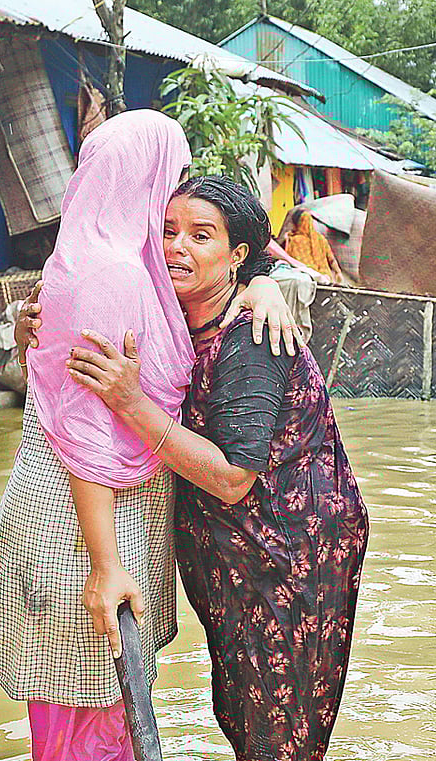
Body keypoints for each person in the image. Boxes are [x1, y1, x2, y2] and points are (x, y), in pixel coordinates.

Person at [0, 111, 301, 761]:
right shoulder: (114, 273)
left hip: (79, 519)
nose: (175, 188)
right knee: (93, 709)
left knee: (91, 712)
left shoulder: (99, 260)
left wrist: (261, 286)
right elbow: (86, 431)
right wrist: (106, 565)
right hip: (79, 528)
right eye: (173, 176)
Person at [62, 175, 369, 760]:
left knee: (278, 734)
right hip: (235, 556)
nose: (177, 247)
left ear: (237, 256)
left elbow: (232, 477)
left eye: (201, 236)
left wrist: (132, 403)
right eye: (168, 231)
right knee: (241, 714)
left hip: (287, 558)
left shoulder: (252, 337)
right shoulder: (180, 316)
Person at [281, 208, 343, 283]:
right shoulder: (320, 238)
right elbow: (331, 259)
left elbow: (290, 261)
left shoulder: (294, 240)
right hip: (326, 278)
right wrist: (338, 272)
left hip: (307, 278)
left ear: (297, 223)